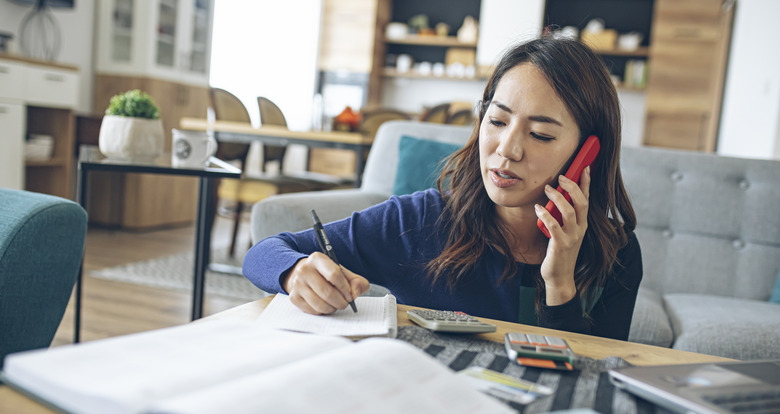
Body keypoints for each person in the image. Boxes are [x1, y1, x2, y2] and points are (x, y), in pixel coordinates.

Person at [243, 37, 642, 341]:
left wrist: (559, 284)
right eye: (498, 121)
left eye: (540, 134)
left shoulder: (618, 253)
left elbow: (588, 382)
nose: (507, 149)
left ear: (586, 153)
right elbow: (264, 252)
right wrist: (295, 272)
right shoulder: (421, 220)